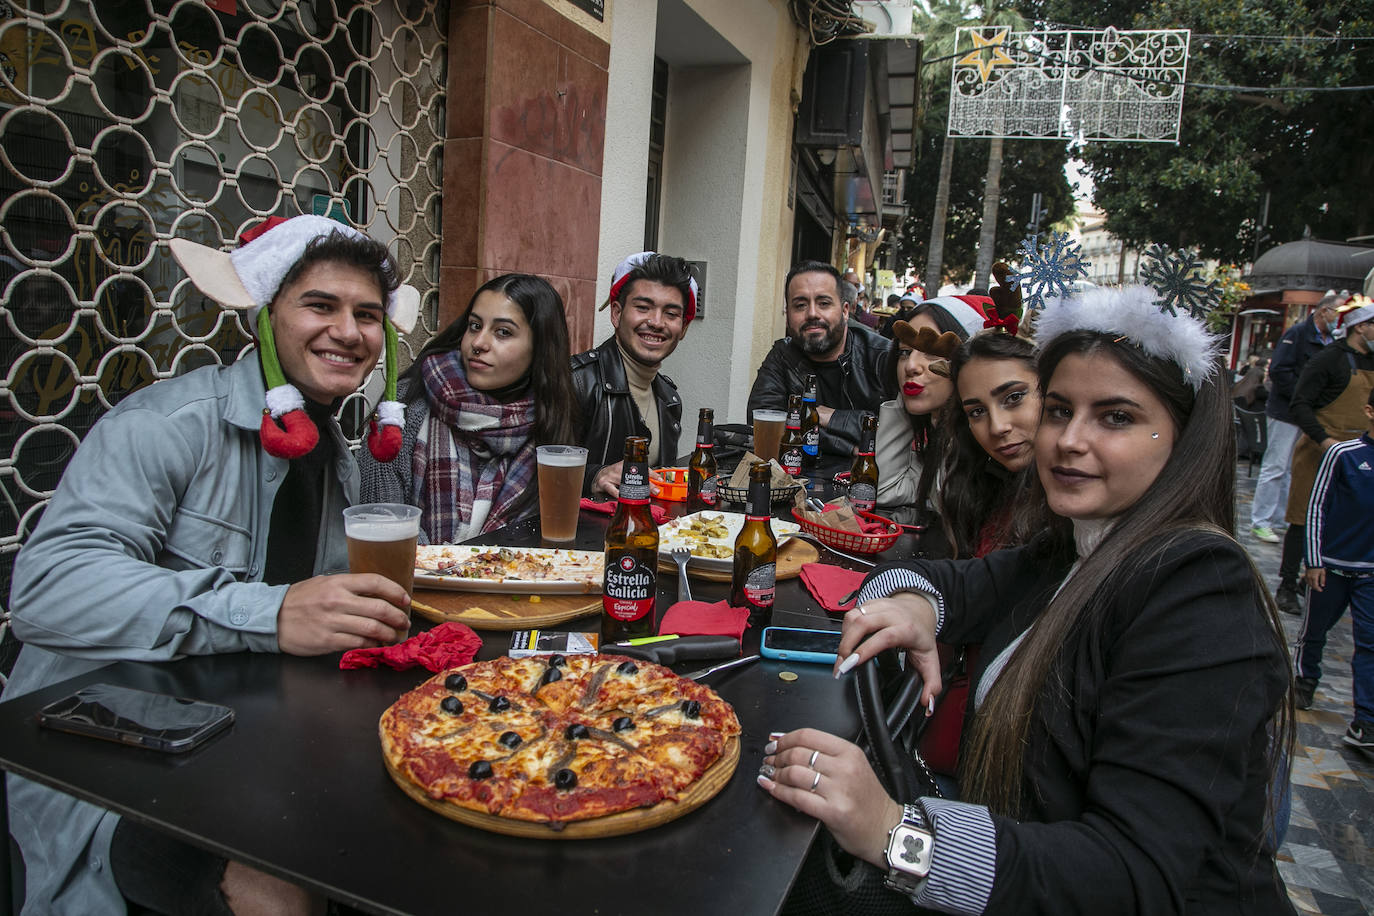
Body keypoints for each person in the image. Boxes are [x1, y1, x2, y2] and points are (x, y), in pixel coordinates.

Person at [760, 285, 1294, 914]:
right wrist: (917, 605)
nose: (1068, 440)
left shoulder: (1200, 590)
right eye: (1062, 410)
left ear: (1182, 437)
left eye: (1116, 417)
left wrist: (897, 833)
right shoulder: (1074, 549)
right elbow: (940, 581)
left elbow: (1134, 876)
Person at [4, 215, 420, 915]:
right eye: (321, 305)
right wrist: (268, 611)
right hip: (112, 768)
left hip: (247, 745)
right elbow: (48, 590)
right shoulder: (164, 424)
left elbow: (319, 622)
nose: (349, 332)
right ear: (265, 313)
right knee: (283, 890)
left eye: (368, 315)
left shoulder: (336, 458)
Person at [361, 273, 579, 543]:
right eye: (475, 326)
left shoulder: (546, 424)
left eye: (503, 332)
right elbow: (380, 530)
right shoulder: (405, 408)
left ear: (540, 348)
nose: (479, 343)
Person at [572, 251, 695, 497]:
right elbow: (535, 470)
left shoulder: (669, 399)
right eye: (643, 308)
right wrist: (595, 476)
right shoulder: (576, 382)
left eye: (671, 314)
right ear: (616, 313)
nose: (657, 322)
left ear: (683, 328)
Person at [1282, 298, 1374, 615]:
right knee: (1303, 517)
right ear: (1360, 327)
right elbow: (1300, 404)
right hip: (1321, 450)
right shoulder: (1328, 360)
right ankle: (1286, 586)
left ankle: (1329, 582)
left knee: (1345, 517)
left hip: (1362, 454)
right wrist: (1324, 440)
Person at [747, 260, 889, 462]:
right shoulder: (782, 357)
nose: (812, 313)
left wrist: (833, 418)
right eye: (800, 305)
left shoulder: (881, 356)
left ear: (845, 311)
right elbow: (765, 429)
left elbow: (897, 433)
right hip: (796, 484)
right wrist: (846, 445)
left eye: (824, 303)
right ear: (788, 315)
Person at [1296, 386, 1374, 742]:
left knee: (1370, 642)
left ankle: (1365, 718)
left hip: (1371, 572)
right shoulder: (1344, 454)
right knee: (1314, 631)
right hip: (1331, 565)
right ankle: (1305, 680)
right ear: (1370, 412)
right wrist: (1313, 559)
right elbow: (1317, 506)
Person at [873, 296, 989, 510]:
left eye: (933, 352)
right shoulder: (936, 439)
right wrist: (903, 402)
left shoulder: (990, 449)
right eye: (905, 352)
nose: (911, 366)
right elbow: (884, 490)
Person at [938, 331, 1042, 558]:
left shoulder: (1075, 510)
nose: (997, 427)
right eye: (977, 412)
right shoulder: (981, 488)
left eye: (1013, 398)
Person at [1254, 291, 1339, 568]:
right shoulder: (1299, 334)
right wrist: (1301, 398)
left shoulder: (1331, 340)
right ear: (1323, 311)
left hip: (1307, 414)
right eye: (1336, 312)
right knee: (1275, 466)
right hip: (1286, 410)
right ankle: (1261, 520)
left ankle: (1280, 517)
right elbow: (1280, 370)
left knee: (1294, 468)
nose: (1338, 318)